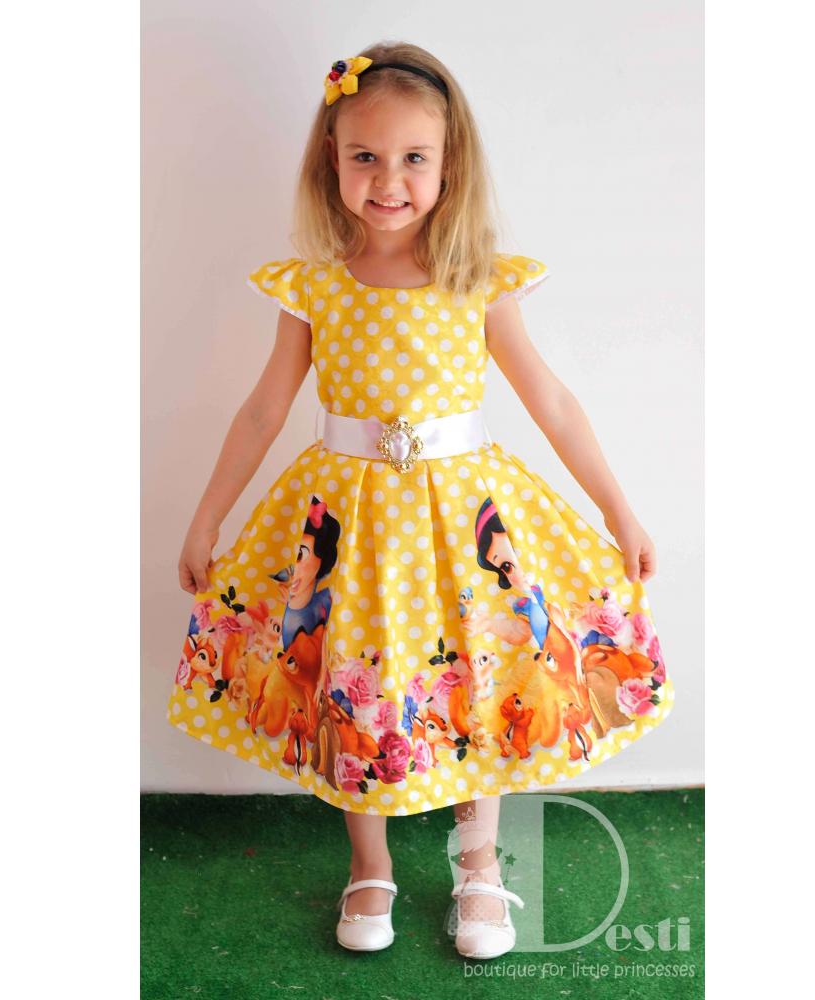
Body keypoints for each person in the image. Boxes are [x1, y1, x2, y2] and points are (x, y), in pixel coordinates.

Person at [165, 41, 675, 960]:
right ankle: (371, 865)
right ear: (331, 159)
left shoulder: (478, 280)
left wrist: (619, 510)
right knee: (356, 684)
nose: (389, 180)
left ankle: (478, 864)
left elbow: (551, 400)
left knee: (480, 677)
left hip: (462, 526)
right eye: (365, 156)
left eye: (413, 158)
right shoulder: (314, 285)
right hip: (349, 529)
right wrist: (208, 517)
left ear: (450, 165)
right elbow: (264, 409)